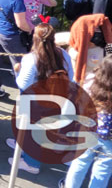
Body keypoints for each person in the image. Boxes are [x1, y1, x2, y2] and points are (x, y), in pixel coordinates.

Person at [12, 23, 74, 175]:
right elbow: (71, 76)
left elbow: (23, 84)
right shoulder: (63, 54)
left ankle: (31, 163)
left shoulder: (31, 58)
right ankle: (22, 145)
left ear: (35, 39)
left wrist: (17, 71)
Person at [63, 56, 112, 188]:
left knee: (80, 162)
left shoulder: (92, 80)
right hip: (110, 137)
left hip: (89, 129)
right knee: (103, 169)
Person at [69, 14, 112, 93]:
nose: (97, 36)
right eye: (94, 32)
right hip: (84, 89)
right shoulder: (76, 52)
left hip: (101, 88)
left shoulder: (106, 47)